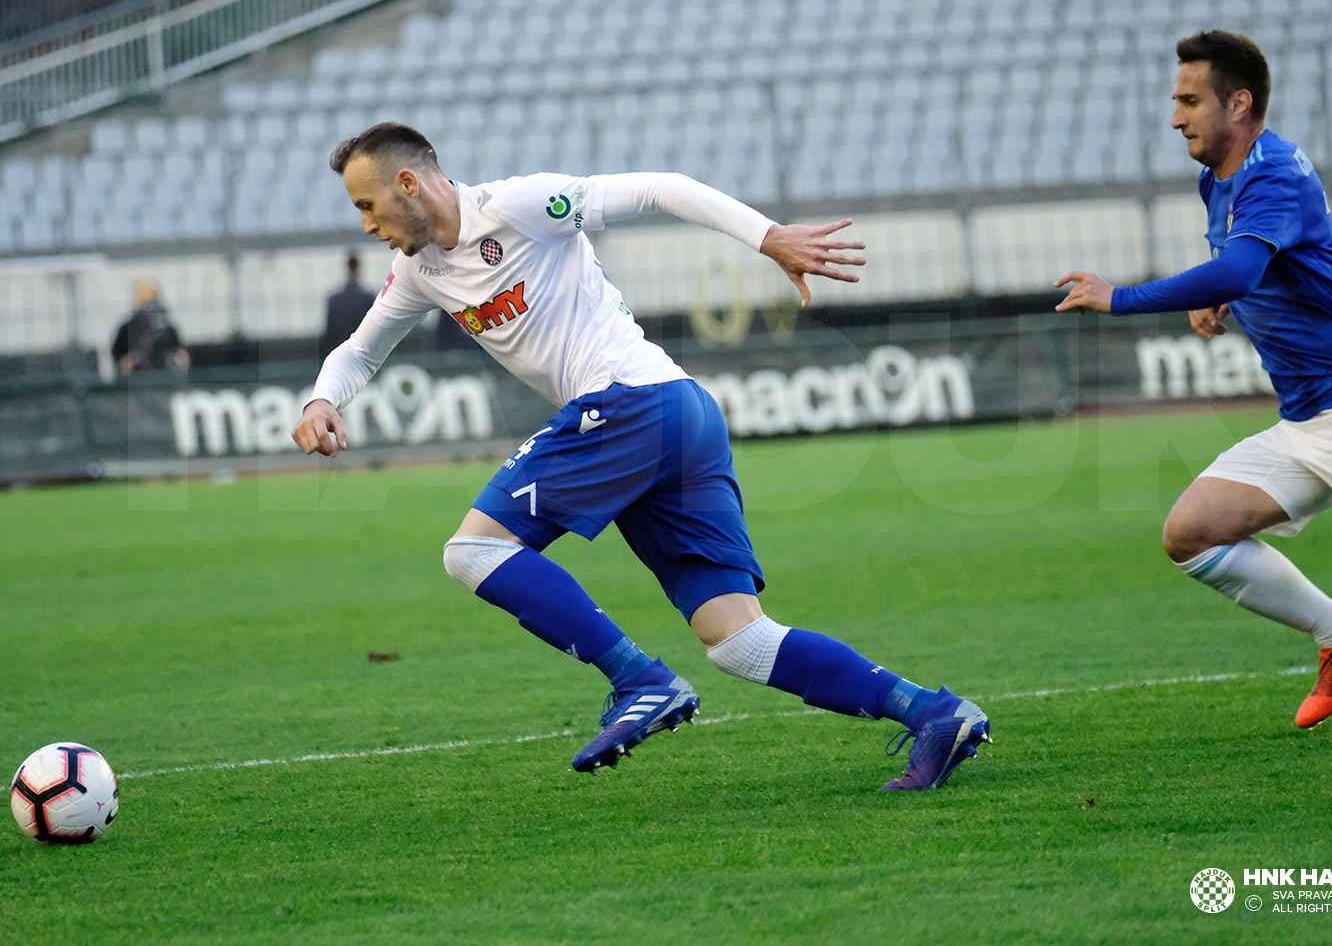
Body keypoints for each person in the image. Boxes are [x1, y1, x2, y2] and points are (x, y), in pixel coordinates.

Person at [290, 122, 990, 790]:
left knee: (472, 552)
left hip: (630, 402)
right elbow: (360, 349)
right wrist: (322, 399)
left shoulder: (518, 206)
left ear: (408, 182)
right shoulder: (417, 271)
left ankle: (640, 679)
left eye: (367, 204)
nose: (366, 225)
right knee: (737, 641)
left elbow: (659, 186)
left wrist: (767, 236)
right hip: (676, 415)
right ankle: (934, 713)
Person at [1055, 31, 1332, 729]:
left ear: (1239, 103)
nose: (1176, 117)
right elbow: (1250, 265)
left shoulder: (1276, 171)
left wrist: (1125, 297)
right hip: (1306, 419)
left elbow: (1240, 265)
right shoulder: (1218, 179)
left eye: (1189, 100)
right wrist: (1223, 298)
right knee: (1193, 532)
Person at [111, 280, 190, 376]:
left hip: (164, 382)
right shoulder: (126, 330)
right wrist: (124, 364)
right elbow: (117, 356)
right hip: (137, 384)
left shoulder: (167, 331)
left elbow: (180, 353)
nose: (150, 308)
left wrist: (180, 358)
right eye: (146, 303)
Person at [319, 253, 377, 359]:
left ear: (346, 269)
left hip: (341, 357)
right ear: (359, 269)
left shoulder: (334, 300)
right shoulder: (369, 299)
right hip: (363, 357)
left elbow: (329, 336)